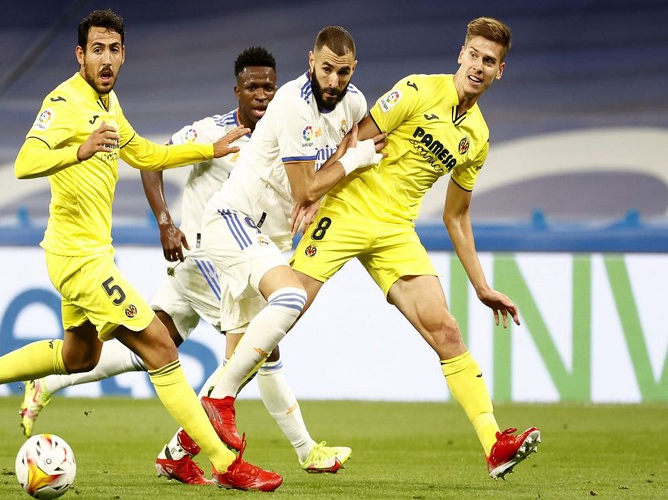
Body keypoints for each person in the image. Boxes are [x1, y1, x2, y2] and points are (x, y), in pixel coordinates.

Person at [0, 10, 282, 492]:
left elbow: (143, 153)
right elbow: (24, 162)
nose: (106, 59)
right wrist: (78, 150)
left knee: (80, 356)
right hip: (78, 259)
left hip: (88, 254)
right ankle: (225, 462)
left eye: (114, 50)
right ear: (79, 55)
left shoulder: (109, 102)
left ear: (124, 55)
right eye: (97, 50)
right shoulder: (63, 102)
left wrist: (209, 150)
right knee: (161, 347)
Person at [210, 17, 542, 480]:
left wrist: (481, 286)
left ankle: (494, 444)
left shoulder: (478, 138)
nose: (478, 66)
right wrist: (319, 194)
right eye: (473, 55)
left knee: (446, 331)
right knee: (281, 316)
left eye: (489, 61)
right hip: (346, 212)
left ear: (499, 70)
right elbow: (355, 139)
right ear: (460, 54)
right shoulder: (416, 90)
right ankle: (200, 422)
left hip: (396, 232)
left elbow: (456, 216)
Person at [17, 46, 351, 485]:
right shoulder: (211, 131)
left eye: (269, 87)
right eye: (252, 86)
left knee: (153, 348)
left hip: (233, 262)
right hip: (204, 259)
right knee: (255, 351)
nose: (262, 94)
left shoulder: (287, 134)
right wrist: (165, 222)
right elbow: (152, 162)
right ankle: (301, 450)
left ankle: (50, 384)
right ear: (237, 91)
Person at [197, 26, 384, 450]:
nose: (333, 81)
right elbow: (307, 187)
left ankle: (182, 454)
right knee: (291, 297)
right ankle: (220, 398)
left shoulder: (354, 103)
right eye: (326, 69)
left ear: (354, 69)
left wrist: (324, 190)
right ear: (310, 62)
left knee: (254, 355)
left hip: (269, 238)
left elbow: (333, 163)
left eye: (343, 72)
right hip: (235, 220)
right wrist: (352, 162)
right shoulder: (292, 105)